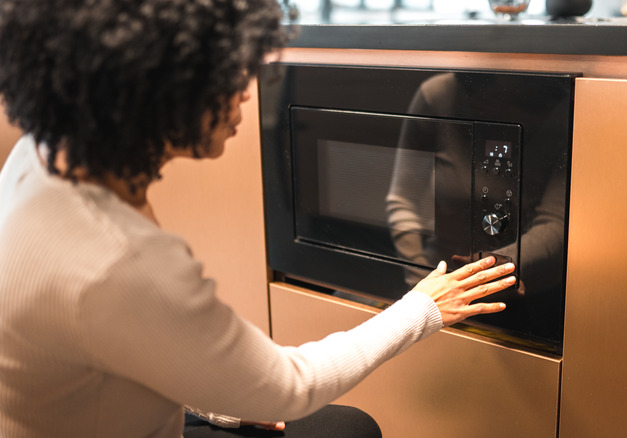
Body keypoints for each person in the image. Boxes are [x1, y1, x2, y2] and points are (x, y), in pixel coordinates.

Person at [0, 1, 517, 437]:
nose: (246, 90)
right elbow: (291, 387)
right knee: (349, 429)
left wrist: (214, 398)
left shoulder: (41, 156)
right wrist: (422, 308)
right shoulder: (120, 260)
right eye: (225, 74)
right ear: (152, 91)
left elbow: (122, 342)